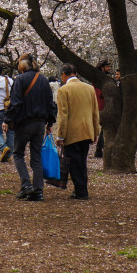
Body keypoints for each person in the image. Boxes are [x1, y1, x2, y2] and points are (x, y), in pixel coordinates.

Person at [3, 57, 55, 202]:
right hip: (39, 123)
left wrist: (8, 119)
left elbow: (16, 102)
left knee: (18, 153)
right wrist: (50, 122)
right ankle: (38, 191)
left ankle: (26, 185)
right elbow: (50, 103)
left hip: (24, 122)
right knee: (36, 156)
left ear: (22, 67)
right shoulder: (44, 80)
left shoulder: (20, 80)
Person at [55, 64, 100, 200]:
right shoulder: (89, 88)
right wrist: (95, 132)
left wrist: (60, 135)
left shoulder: (64, 90)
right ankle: (82, 188)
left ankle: (80, 190)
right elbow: (95, 112)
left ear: (64, 74)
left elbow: (63, 115)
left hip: (72, 132)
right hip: (87, 130)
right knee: (82, 160)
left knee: (74, 162)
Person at [93, 60, 112, 158]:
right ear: (102, 68)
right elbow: (100, 92)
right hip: (101, 106)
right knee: (105, 128)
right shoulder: (100, 79)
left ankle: (99, 150)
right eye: (107, 67)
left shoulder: (101, 77)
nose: (109, 68)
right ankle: (100, 150)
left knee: (104, 129)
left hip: (102, 105)